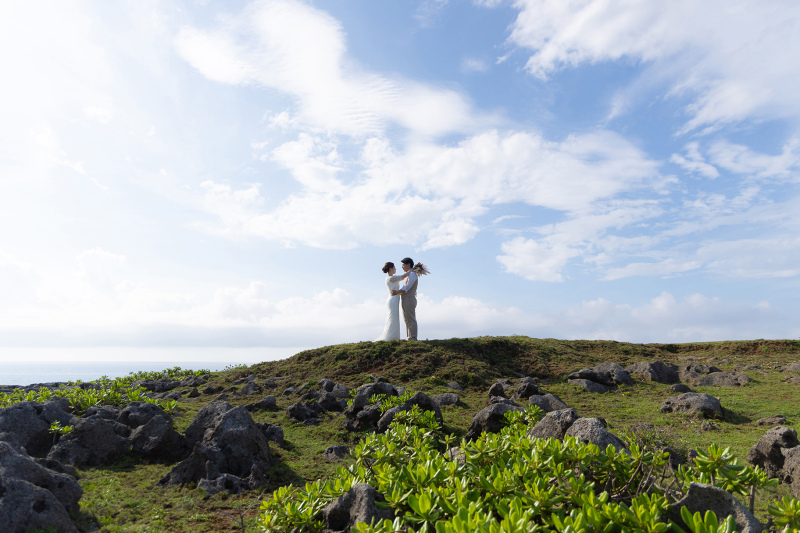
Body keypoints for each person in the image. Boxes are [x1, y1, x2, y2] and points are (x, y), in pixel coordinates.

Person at [375, 262, 409, 341]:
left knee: (393, 317)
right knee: (393, 318)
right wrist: (414, 269)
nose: (395, 269)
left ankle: (393, 336)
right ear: (390, 268)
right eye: (394, 267)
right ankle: (392, 337)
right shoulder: (391, 278)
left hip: (393, 299)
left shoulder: (389, 278)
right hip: (393, 300)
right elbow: (403, 276)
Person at [392, 257, 418, 341]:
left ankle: (413, 337)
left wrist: (397, 292)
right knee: (406, 319)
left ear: (408, 264)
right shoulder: (408, 274)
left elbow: (407, 287)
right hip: (404, 298)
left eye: (403, 265)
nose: (402, 267)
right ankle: (409, 337)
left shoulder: (412, 274)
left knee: (410, 318)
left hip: (409, 298)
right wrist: (398, 292)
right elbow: (405, 287)